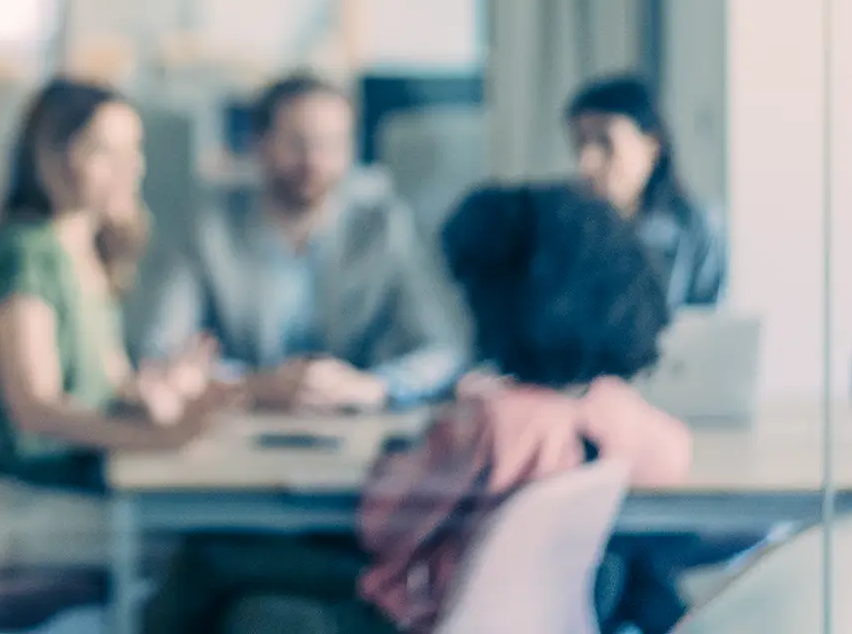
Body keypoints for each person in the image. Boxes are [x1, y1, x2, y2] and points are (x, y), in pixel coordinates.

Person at [159, 184, 688, 634]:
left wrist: (410, 451)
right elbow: (672, 456)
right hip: (514, 613)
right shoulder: (605, 408)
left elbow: (384, 526)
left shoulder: (491, 419)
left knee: (224, 578)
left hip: (420, 608)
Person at [0, 79, 234, 570]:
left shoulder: (88, 250)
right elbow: (36, 409)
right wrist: (160, 438)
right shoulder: (25, 251)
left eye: (133, 150)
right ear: (50, 158)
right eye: (103, 152)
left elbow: (105, 387)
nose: (128, 169)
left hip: (53, 489)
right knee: (194, 547)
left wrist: (158, 392)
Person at [143, 74, 464, 413]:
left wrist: (373, 386)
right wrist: (253, 384)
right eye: (297, 143)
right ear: (258, 142)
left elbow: (445, 349)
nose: (314, 160)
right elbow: (161, 351)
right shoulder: (205, 228)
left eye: (332, 144)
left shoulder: (386, 228)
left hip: (359, 430)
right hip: (239, 425)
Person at [567, 74, 727, 310]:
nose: (587, 162)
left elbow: (710, 332)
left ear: (652, 144)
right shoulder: (569, 233)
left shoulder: (698, 228)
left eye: (605, 142)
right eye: (580, 143)